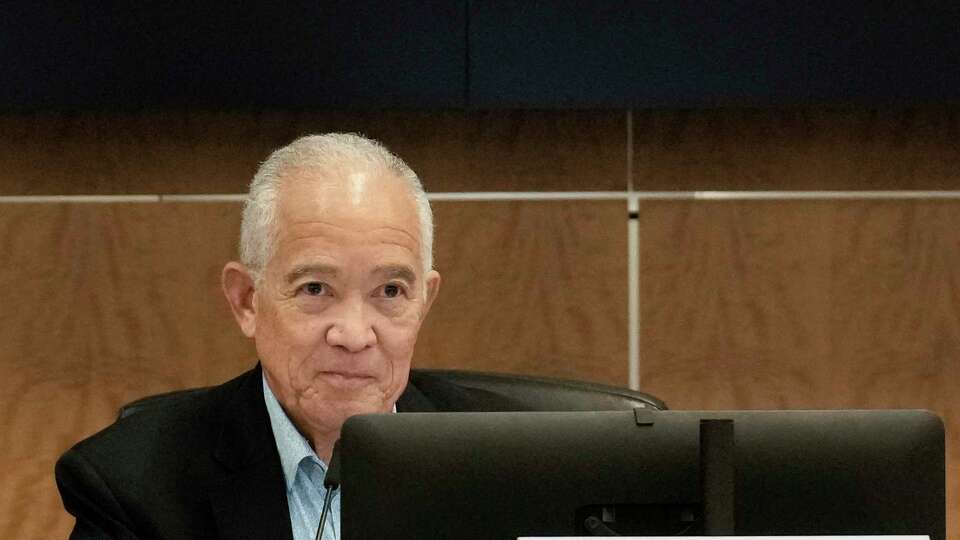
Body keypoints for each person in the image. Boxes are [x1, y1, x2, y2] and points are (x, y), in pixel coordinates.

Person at [55, 133, 519, 539]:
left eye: (391, 291)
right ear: (247, 301)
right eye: (315, 289)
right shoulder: (132, 484)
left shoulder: (514, 460)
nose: (354, 335)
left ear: (424, 303)